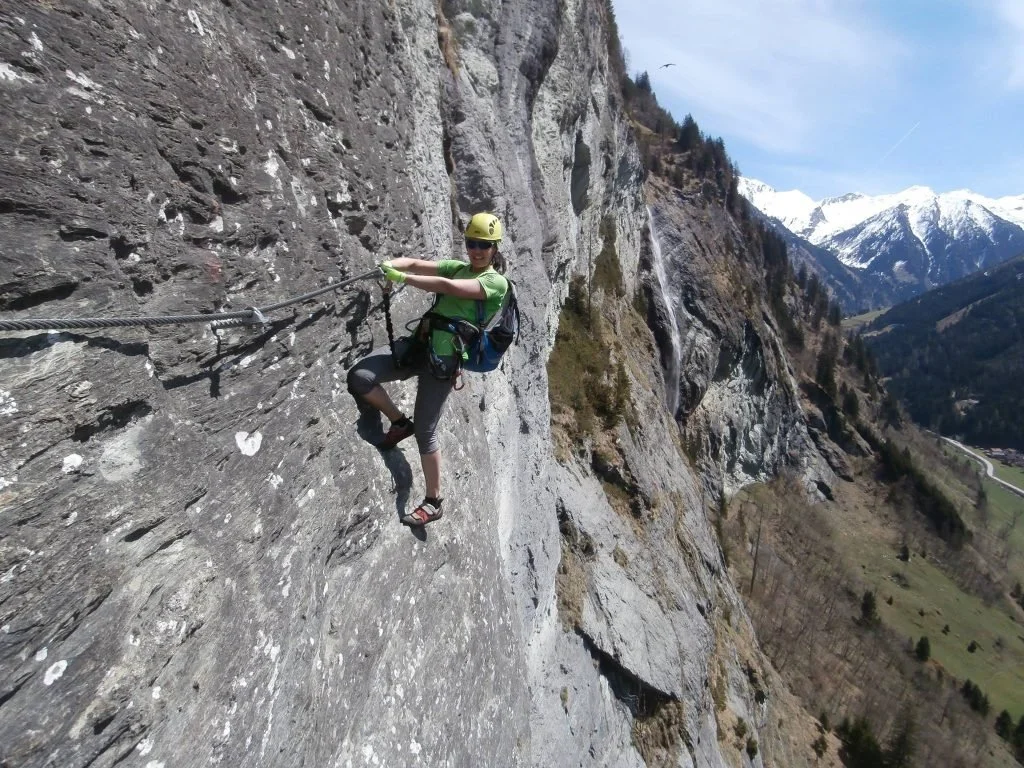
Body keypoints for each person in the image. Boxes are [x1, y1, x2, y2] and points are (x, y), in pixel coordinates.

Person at [346, 213, 509, 526]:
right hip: (420, 346)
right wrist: (391, 264)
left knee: (426, 432)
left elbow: (449, 286)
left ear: (494, 248)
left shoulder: (494, 282)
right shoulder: (458, 266)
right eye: (472, 243)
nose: (477, 250)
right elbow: (418, 264)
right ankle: (397, 422)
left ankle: (434, 501)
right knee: (360, 377)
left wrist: (402, 278)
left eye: (484, 245)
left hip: (444, 364)